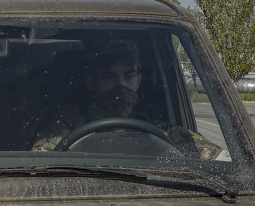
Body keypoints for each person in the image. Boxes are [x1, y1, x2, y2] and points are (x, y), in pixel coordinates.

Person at [31, 38, 224, 158]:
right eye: (108, 76)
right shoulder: (62, 131)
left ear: (139, 81)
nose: (120, 86)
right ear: (91, 82)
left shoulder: (163, 133)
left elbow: (223, 164)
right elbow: (37, 172)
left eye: (129, 76)